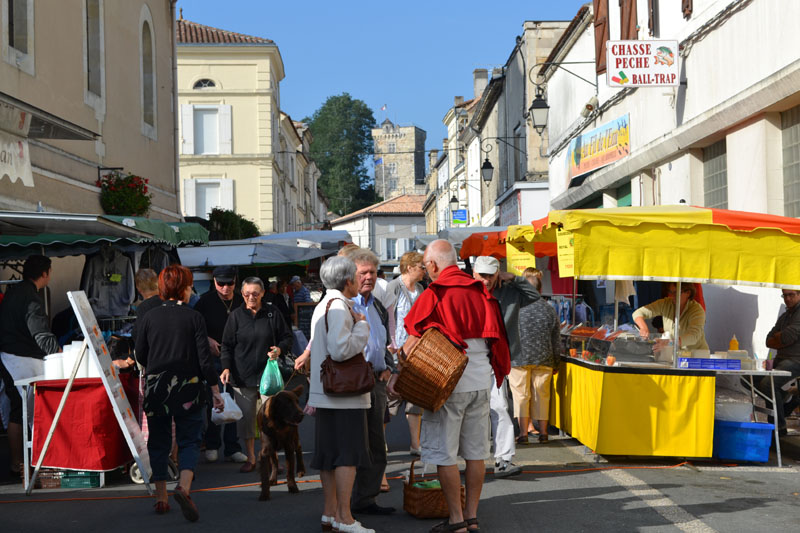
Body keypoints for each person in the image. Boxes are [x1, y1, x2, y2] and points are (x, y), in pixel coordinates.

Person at [389, 240, 510, 533]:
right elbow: (497, 338)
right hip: (481, 381)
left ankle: (456, 520)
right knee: (476, 453)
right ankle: (472, 516)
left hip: (446, 381)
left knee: (445, 454)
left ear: (432, 265)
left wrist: (397, 374)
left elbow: (414, 336)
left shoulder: (435, 293)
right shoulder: (481, 290)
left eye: (427, 267)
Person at [135, 265, 224, 521]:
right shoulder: (194, 317)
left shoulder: (150, 316)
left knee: (159, 441)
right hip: (189, 385)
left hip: (157, 386)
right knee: (190, 438)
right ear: (184, 289)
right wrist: (215, 389)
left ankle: (161, 498)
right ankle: (184, 487)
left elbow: (140, 354)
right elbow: (204, 359)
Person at [307, 256, 374, 533]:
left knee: (330, 455)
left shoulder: (325, 304)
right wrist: (362, 326)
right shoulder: (338, 307)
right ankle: (344, 518)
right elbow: (340, 349)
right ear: (348, 280)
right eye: (357, 276)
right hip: (344, 394)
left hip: (328, 392)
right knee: (347, 456)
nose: (361, 280)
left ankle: (330, 513)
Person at [472, 256, 540, 477]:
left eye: (490, 275)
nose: (486, 280)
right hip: (472, 357)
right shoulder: (469, 290)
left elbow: (534, 295)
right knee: (472, 411)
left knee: (500, 407)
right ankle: (474, 460)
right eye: (481, 275)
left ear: (498, 273)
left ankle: (503, 459)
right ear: (474, 273)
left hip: (498, 359)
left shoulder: (510, 291)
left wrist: (516, 278)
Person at [220, 277, 292, 473]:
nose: (251, 297)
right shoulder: (235, 316)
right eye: (247, 294)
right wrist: (226, 367)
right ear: (242, 295)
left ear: (262, 293)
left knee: (271, 418)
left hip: (269, 375)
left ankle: (270, 456)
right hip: (242, 376)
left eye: (255, 293)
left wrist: (280, 349)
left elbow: (287, 336)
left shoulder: (272, 312)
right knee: (247, 420)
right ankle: (251, 457)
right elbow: (226, 345)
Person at [349, 249, 397, 516]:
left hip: (376, 384)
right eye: (363, 273)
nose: (368, 277)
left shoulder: (376, 304)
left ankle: (365, 499)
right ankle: (344, 502)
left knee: (376, 444)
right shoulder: (345, 303)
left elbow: (385, 343)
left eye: (372, 273)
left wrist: (389, 367)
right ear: (351, 275)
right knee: (352, 444)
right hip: (352, 384)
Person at [0, 255, 61, 436]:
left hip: (8, 356)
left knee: (17, 411)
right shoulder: (31, 298)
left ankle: (17, 462)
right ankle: (32, 461)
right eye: (50, 272)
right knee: (30, 411)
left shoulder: (13, 291)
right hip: (21, 361)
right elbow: (41, 335)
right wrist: (60, 354)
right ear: (44, 273)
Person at [193, 265, 247, 464]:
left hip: (237, 356)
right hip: (213, 357)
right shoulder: (204, 302)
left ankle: (232, 446)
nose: (225, 287)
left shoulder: (242, 300)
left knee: (236, 400)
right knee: (214, 399)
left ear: (235, 282)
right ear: (214, 282)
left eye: (229, 283)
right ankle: (213, 443)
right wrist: (207, 339)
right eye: (221, 283)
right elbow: (194, 328)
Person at [511, 268, 561, 444]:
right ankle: (544, 433)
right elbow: (556, 339)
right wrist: (556, 362)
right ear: (540, 289)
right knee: (542, 395)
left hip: (519, 358)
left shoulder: (515, 308)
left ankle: (523, 434)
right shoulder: (549, 309)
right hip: (544, 358)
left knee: (521, 396)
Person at [385, 251, 426, 455]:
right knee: (391, 398)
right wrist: (388, 344)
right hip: (396, 350)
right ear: (409, 267)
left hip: (416, 351)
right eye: (421, 267)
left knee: (415, 399)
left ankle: (415, 443)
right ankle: (380, 441)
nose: (424, 271)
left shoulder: (420, 289)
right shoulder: (393, 287)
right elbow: (386, 317)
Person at [758, 289, 800, 437]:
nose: (787, 298)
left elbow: (788, 336)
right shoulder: (785, 315)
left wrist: (780, 338)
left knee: (768, 384)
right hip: (781, 360)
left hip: (796, 360)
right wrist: (780, 338)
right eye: (785, 295)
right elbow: (768, 340)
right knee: (747, 379)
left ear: (799, 294)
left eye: (791, 295)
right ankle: (784, 404)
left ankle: (778, 427)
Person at [632, 283, 709, 351]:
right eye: (670, 292)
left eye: (676, 293)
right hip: (676, 356)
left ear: (688, 293)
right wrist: (643, 327)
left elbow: (694, 336)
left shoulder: (697, 310)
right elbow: (638, 313)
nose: (672, 296)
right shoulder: (665, 303)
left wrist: (670, 342)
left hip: (697, 357)